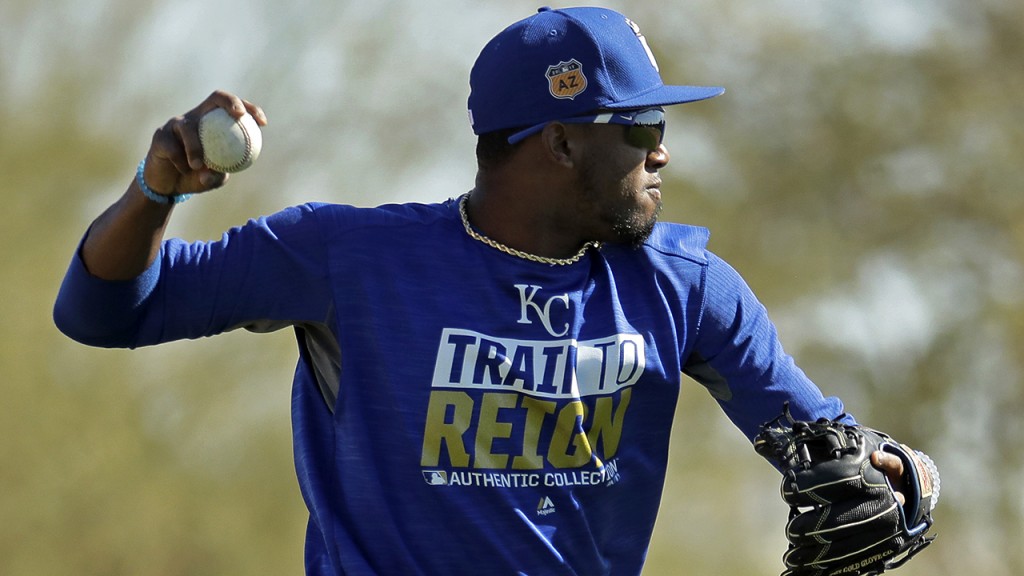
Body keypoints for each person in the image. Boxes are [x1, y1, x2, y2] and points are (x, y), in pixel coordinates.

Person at [54, 7, 916, 575]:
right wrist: (154, 191)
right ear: (561, 143)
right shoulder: (346, 257)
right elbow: (100, 311)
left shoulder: (686, 290)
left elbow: (828, 447)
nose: (662, 151)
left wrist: (905, 478)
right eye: (641, 125)